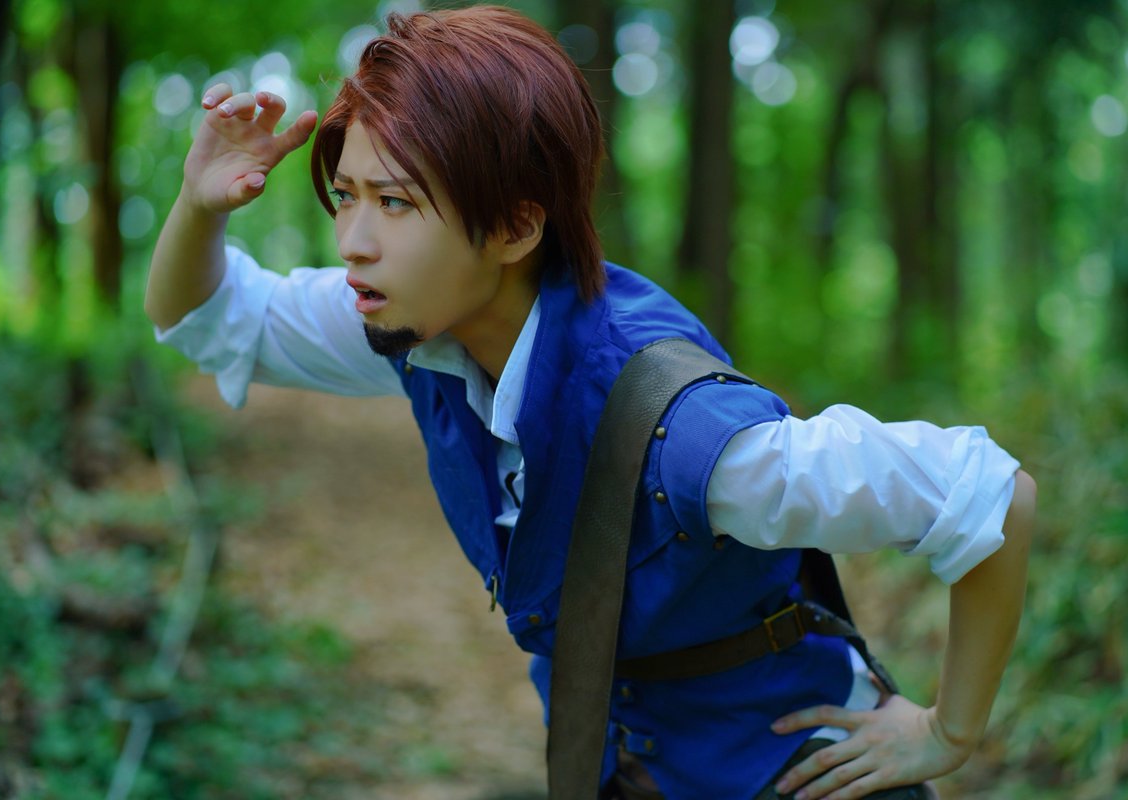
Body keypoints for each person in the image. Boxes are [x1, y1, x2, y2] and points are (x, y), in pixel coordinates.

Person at [145, 7, 1035, 799]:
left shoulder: (689, 435)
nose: (353, 240)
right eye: (345, 196)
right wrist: (198, 203)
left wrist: (947, 733)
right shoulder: (423, 323)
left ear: (515, 226)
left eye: (395, 202)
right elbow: (205, 318)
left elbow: (992, 496)